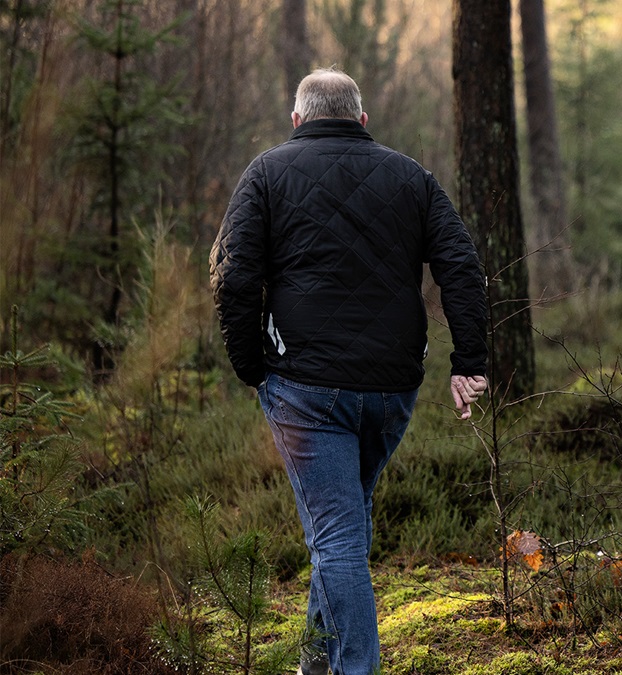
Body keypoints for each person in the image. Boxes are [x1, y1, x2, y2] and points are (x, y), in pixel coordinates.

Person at [210, 68, 488, 675]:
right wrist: (469, 362)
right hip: (392, 390)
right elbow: (461, 266)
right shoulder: (410, 176)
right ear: (362, 120)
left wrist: (251, 367)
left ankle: (352, 668)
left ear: (297, 120)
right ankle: (317, 663)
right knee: (342, 525)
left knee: (335, 537)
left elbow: (235, 276)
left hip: (304, 391)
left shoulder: (265, 173)